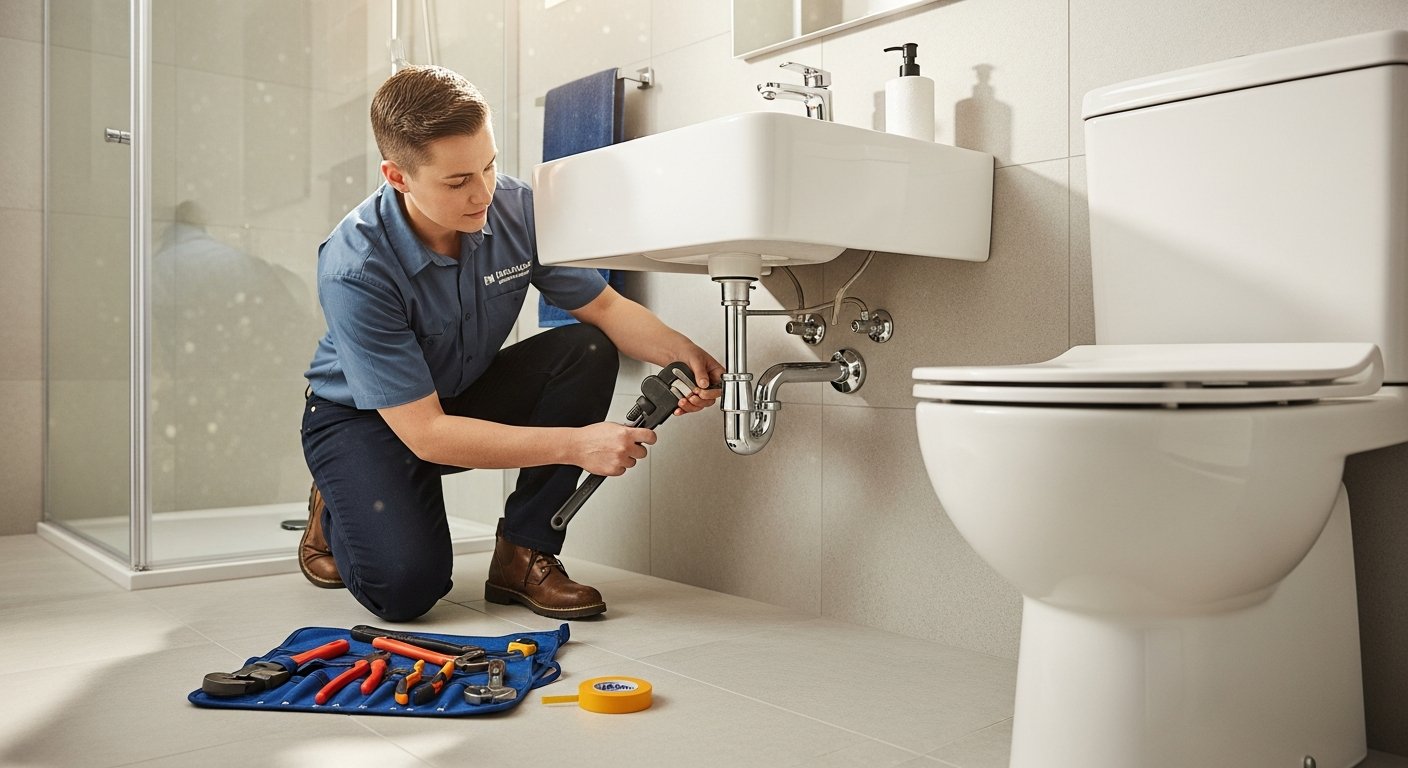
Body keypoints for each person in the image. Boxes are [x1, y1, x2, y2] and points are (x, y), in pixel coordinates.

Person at [298, 65, 723, 623]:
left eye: (489, 165)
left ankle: (524, 554)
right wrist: (576, 446)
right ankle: (337, 493)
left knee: (585, 348)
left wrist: (683, 352)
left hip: (453, 399)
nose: (483, 193)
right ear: (398, 176)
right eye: (457, 182)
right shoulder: (356, 267)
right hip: (364, 420)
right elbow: (426, 434)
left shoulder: (516, 208)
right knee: (405, 589)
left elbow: (604, 308)